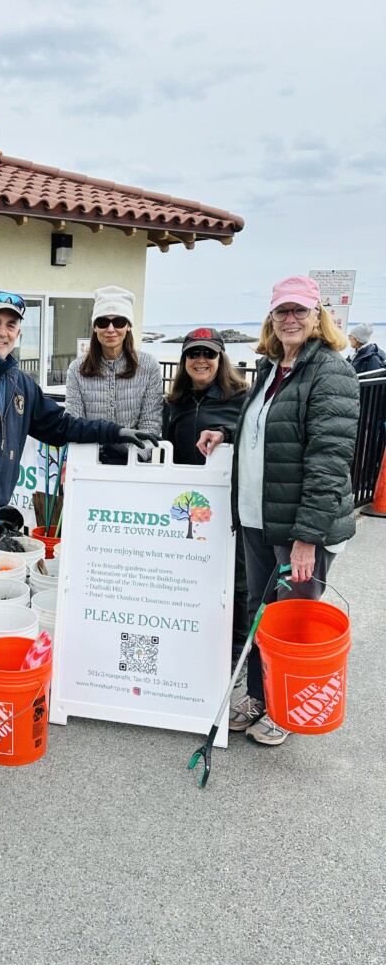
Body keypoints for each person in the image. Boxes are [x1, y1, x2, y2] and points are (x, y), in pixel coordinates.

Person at [0, 290, 158, 726]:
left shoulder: (20, 383)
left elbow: (59, 425)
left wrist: (112, 431)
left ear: (19, 332)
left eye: (10, 325)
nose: (2, 332)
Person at [200, 276, 359, 746]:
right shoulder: (272, 367)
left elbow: (329, 458)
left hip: (298, 525)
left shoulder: (330, 371)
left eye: (300, 311)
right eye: (281, 311)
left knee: (295, 619)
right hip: (258, 516)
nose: (290, 319)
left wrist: (307, 536)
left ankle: (285, 709)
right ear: (271, 318)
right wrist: (225, 436)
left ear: (317, 317)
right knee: (260, 612)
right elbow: (269, 431)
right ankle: (256, 695)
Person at [165, 327, 250, 655]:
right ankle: (196, 640)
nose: (201, 360)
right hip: (188, 506)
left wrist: (225, 433)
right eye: (193, 353)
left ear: (221, 358)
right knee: (193, 573)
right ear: (185, 359)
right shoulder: (175, 402)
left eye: (209, 354)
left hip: (231, 503)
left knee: (237, 578)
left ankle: (237, 650)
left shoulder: (243, 396)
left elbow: (251, 432)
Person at [65, 285, 163, 461]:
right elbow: (75, 423)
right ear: (95, 327)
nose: (110, 329)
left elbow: (151, 425)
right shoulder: (76, 369)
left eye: (118, 322)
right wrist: (94, 455)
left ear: (128, 326)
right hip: (89, 465)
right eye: (103, 322)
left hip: (134, 468)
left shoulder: (149, 366)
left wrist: (132, 456)